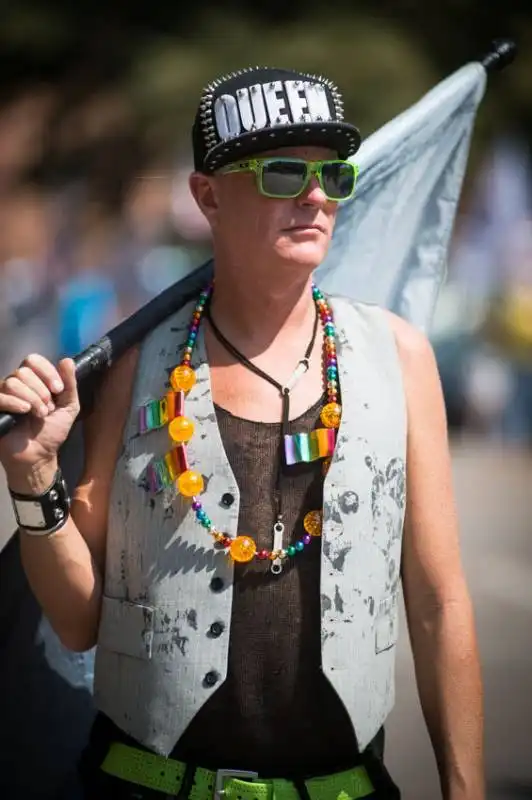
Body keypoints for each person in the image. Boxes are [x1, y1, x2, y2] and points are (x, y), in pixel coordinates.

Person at [0, 67, 484, 800]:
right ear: (208, 196)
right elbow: (77, 621)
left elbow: (438, 601)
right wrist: (35, 480)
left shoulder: (401, 358)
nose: (317, 195)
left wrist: (466, 788)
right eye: (285, 172)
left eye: (334, 174)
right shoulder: (136, 367)